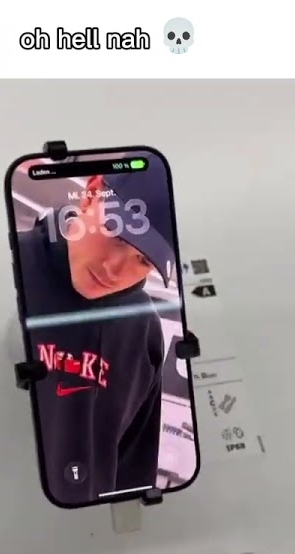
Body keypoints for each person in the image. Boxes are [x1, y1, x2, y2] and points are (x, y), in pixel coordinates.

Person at [14, 168, 177, 506]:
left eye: (142, 260)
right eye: (117, 234)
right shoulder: (4, 270)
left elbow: (132, 472)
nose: (114, 269)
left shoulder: (142, 328)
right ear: (91, 195)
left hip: (84, 532)